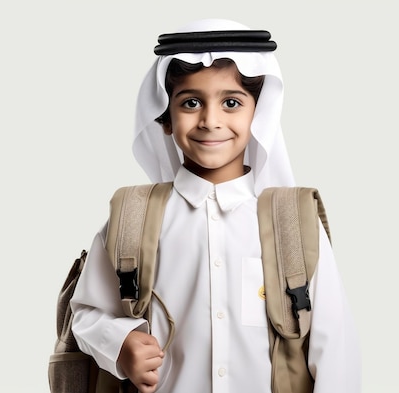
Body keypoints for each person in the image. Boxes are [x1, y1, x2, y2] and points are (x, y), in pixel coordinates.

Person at [70, 18, 361, 393]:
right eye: (191, 102)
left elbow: (335, 348)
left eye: (231, 103)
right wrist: (120, 344)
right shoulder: (132, 218)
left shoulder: (294, 223)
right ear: (165, 119)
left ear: (259, 114)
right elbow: (87, 313)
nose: (211, 120)